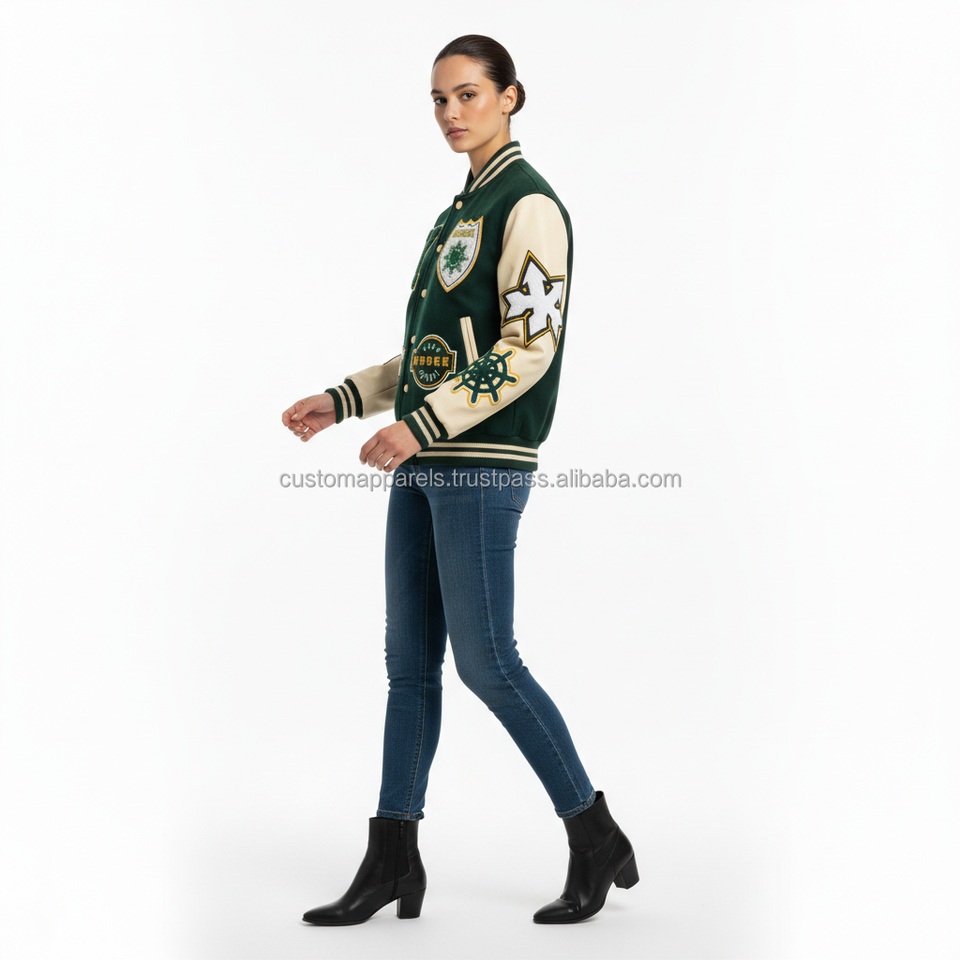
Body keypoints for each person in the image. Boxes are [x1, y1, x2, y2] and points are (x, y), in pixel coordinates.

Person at [282, 34, 637, 925]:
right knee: (409, 665)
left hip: (479, 463)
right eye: (438, 99)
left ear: (510, 96)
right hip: (423, 459)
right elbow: (431, 356)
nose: (450, 112)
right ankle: (392, 858)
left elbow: (528, 351)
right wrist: (345, 398)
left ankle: (594, 832)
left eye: (468, 94)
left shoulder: (530, 206)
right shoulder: (457, 215)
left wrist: (421, 425)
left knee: (488, 662)